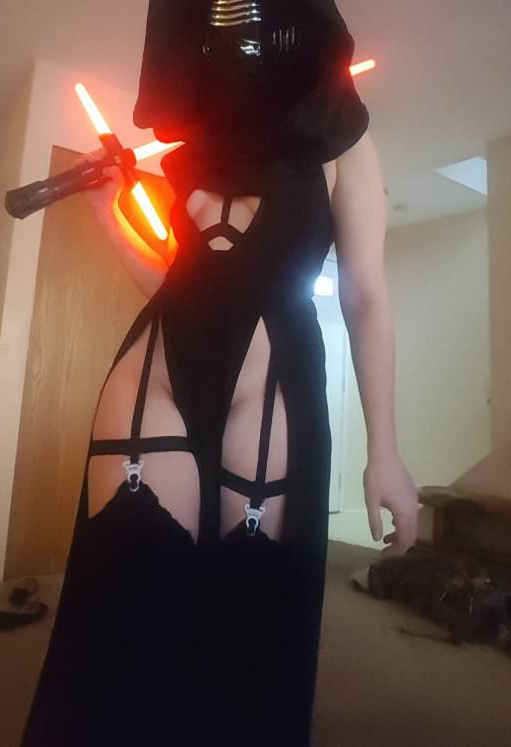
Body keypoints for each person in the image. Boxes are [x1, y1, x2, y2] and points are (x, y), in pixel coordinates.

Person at [21, 2, 420, 745]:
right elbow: (179, 280)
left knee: (246, 635)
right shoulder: (193, 139)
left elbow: (365, 294)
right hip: (157, 366)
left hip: (272, 381)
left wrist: (386, 449)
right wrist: (111, 210)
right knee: (123, 619)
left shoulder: (343, 136)